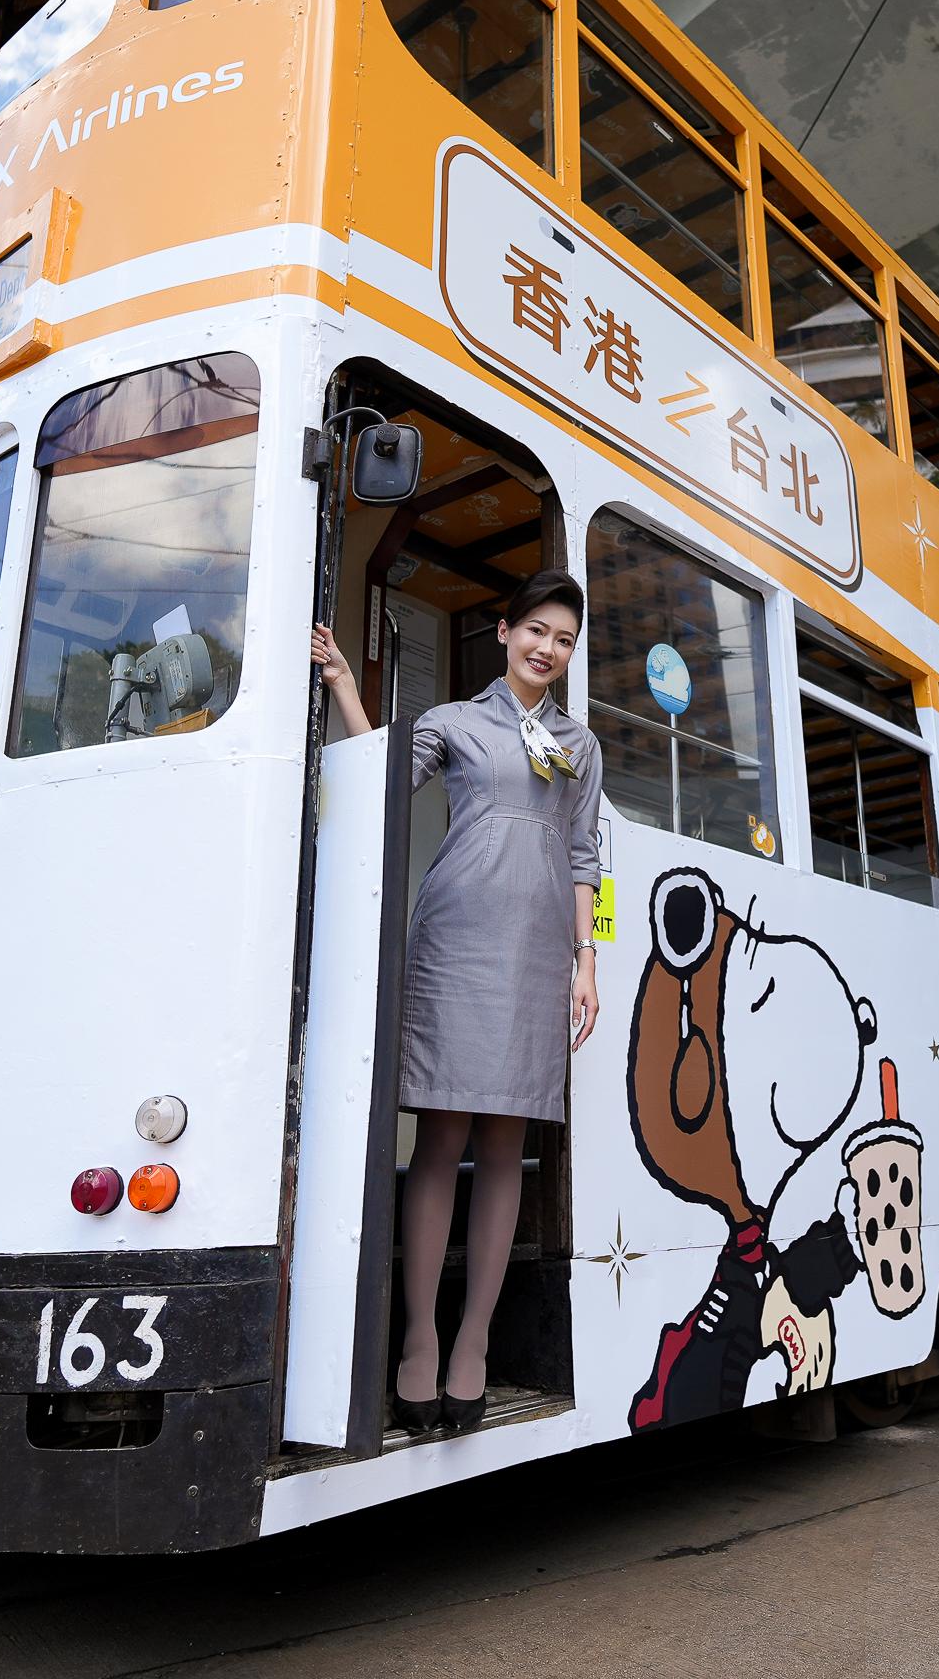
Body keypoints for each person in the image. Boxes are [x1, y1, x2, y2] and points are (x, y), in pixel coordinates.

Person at [308, 569, 602, 1433]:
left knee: (506, 1142)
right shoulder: (454, 723)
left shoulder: (579, 746)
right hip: (455, 939)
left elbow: (585, 857)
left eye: (564, 640)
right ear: (504, 630)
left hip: (539, 951)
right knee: (439, 1136)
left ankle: (474, 1341)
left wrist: (586, 961)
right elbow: (381, 780)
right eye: (537, 631)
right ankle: (420, 1341)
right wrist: (342, 689)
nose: (548, 649)